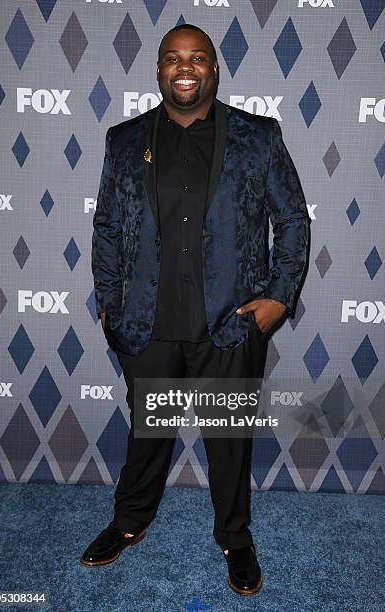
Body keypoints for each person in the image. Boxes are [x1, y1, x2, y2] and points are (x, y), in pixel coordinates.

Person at [81, 24, 310, 597]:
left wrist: (277, 299)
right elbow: (107, 226)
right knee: (148, 436)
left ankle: (235, 537)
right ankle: (130, 522)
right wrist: (110, 305)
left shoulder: (258, 137)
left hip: (230, 326)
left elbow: (293, 221)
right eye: (173, 59)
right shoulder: (126, 139)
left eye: (197, 58)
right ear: (158, 70)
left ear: (214, 68)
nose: (185, 67)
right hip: (148, 326)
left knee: (229, 440)